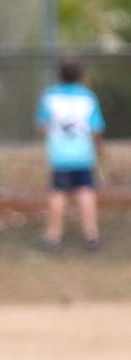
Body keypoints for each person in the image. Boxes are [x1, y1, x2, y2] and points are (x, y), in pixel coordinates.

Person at [35, 57, 106, 251]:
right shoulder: (88, 97)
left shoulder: (50, 96)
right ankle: (91, 235)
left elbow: (41, 125)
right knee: (86, 192)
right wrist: (99, 149)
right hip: (83, 155)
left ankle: (53, 236)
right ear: (81, 75)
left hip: (60, 155)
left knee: (58, 194)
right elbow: (96, 128)